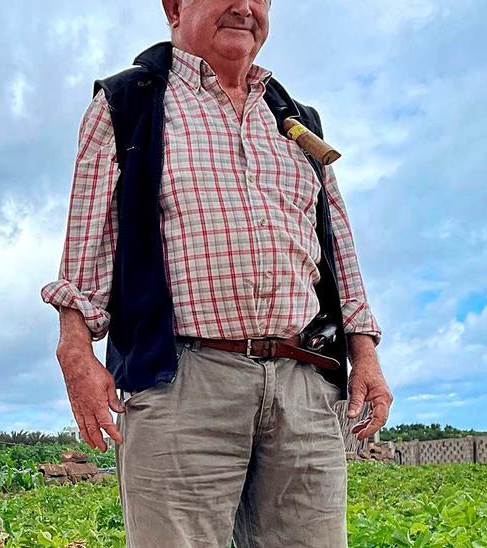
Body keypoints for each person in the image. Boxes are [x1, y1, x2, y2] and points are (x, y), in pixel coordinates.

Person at [41, 1, 393, 546]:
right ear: (175, 7)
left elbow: (338, 246)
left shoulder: (296, 121)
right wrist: (75, 352)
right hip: (182, 380)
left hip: (303, 386)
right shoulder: (128, 104)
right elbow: (89, 241)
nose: (244, 6)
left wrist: (365, 352)